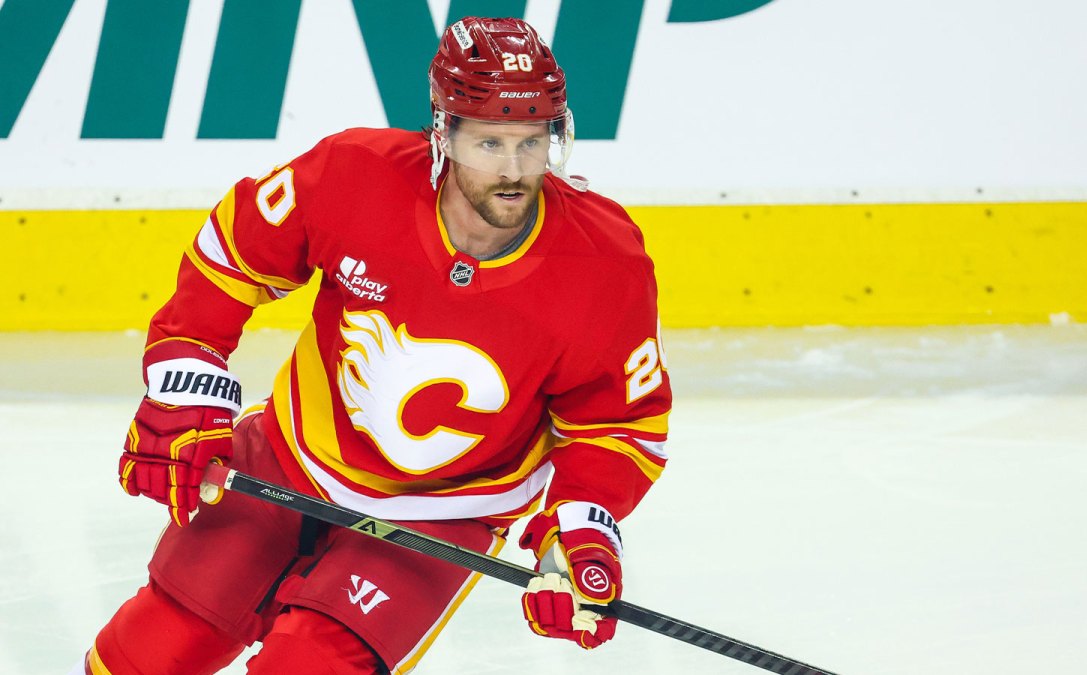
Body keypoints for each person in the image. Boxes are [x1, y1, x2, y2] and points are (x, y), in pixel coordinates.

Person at [73, 16, 671, 675]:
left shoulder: (603, 263)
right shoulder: (357, 174)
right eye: (489, 143)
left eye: (532, 142)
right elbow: (236, 250)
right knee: (147, 651)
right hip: (289, 457)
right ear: (443, 133)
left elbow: (617, 423)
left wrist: (581, 529)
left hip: (442, 517)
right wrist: (185, 373)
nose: (512, 170)